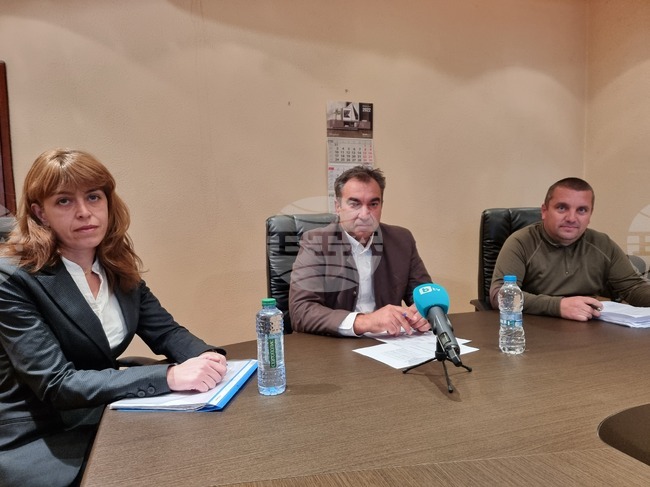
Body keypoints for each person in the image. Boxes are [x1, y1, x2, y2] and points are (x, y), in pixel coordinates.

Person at [0, 149, 228, 487]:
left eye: (93, 196)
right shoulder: (13, 279)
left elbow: (166, 332)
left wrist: (209, 358)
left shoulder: (114, 265)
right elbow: (57, 384)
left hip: (105, 415)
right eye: (64, 201)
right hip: (43, 437)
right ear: (40, 213)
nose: (84, 211)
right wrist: (169, 376)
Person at [289, 165, 433, 336]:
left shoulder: (401, 240)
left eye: (373, 204)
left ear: (381, 206)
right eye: (355, 204)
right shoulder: (316, 243)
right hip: (334, 344)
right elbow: (301, 311)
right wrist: (365, 321)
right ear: (337, 206)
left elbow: (426, 293)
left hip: (390, 342)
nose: (365, 214)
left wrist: (425, 311)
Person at [489, 177, 650, 321]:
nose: (571, 218)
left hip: (591, 330)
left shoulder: (603, 244)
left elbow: (633, 288)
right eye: (562, 208)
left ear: (590, 214)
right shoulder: (521, 242)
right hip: (534, 329)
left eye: (581, 210)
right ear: (544, 211)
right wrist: (557, 306)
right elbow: (501, 296)